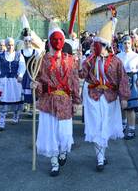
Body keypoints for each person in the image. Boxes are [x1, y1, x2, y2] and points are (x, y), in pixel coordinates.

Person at [79, 20, 130, 171]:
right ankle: (100, 159)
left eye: (99, 45)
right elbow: (81, 74)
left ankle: (102, 155)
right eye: (96, 45)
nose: (96, 47)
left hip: (110, 98)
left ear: (106, 46)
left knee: (105, 127)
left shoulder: (116, 61)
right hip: (93, 96)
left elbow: (123, 79)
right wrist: (79, 61)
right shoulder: (91, 59)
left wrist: (124, 97)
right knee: (96, 126)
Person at [32, 25, 81, 176]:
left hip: (65, 101)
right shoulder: (42, 60)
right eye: (54, 39)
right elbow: (38, 79)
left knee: (64, 134)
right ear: (49, 41)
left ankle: (63, 153)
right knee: (50, 133)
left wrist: (76, 102)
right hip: (48, 102)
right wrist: (35, 85)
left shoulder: (71, 60)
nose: (57, 42)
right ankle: (54, 163)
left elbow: (74, 81)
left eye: (60, 39)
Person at [0, 37, 26, 131]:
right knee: (3, 101)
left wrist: (20, 75)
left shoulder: (19, 55)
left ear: (14, 45)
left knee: (16, 100)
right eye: (8, 44)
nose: (10, 46)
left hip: (15, 81)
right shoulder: (1, 56)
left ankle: (15, 117)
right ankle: (2, 123)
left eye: (11, 44)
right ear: (5, 45)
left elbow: (22, 66)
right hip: (3, 81)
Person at [117, 35, 138, 139]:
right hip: (121, 81)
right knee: (122, 106)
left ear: (132, 44)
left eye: (128, 43)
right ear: (122, 44)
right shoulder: (118, 56)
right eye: (125, 43)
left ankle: (132, 129)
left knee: (131, 108)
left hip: (132, 81)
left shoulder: (136, 56)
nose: (127, 45)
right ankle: (123, 124)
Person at [21, 34, 39, 112]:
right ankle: (25, 105)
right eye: (26, 41)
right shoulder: (20, 52)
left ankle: (32, 109)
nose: (27, 42)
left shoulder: (36, 52)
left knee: (32, 90)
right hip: (24, 73)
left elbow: (38, 63)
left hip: (32, 73)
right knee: (24, 89)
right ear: (24, 42)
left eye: (29, 41)